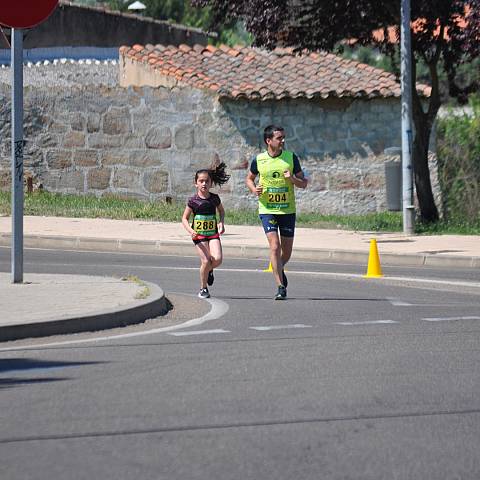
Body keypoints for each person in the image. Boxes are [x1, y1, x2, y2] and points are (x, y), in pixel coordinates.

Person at [246, 125, 307, 300]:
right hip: (267, 210)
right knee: (274, 246)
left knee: (286, 253)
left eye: (283, 137)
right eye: (279, 138)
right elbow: (249, 178)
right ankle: (280, 286)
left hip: (287, 211)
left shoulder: (291, 158)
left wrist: (292, 179)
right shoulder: (259, 160)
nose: (283, 141)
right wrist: (253, 189)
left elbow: (304, 183)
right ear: (269, 141)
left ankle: (279, 267)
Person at [182, 157, 230, 299]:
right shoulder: (193, 201)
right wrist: (191, 231)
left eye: (206, 181)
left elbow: (221, 211)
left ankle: (209, 270)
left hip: (213, 233)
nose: (204, 183)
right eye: (201, 181)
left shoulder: (214, 198)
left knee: (218, 259)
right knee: (205, 260)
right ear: (196, 183)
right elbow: (184, 218)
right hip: (199, 235)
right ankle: (203, 288)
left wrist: (221, 222)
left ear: (211, 183)